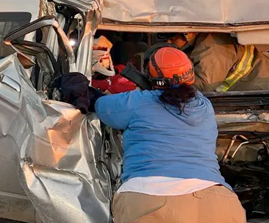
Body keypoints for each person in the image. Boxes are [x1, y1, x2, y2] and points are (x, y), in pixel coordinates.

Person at [93, 46, 246, 223]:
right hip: (218, 200)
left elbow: (101, 106)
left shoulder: (138, 102)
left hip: (150, 197)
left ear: (150, 77)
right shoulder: (204, 106)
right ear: (191, 74)